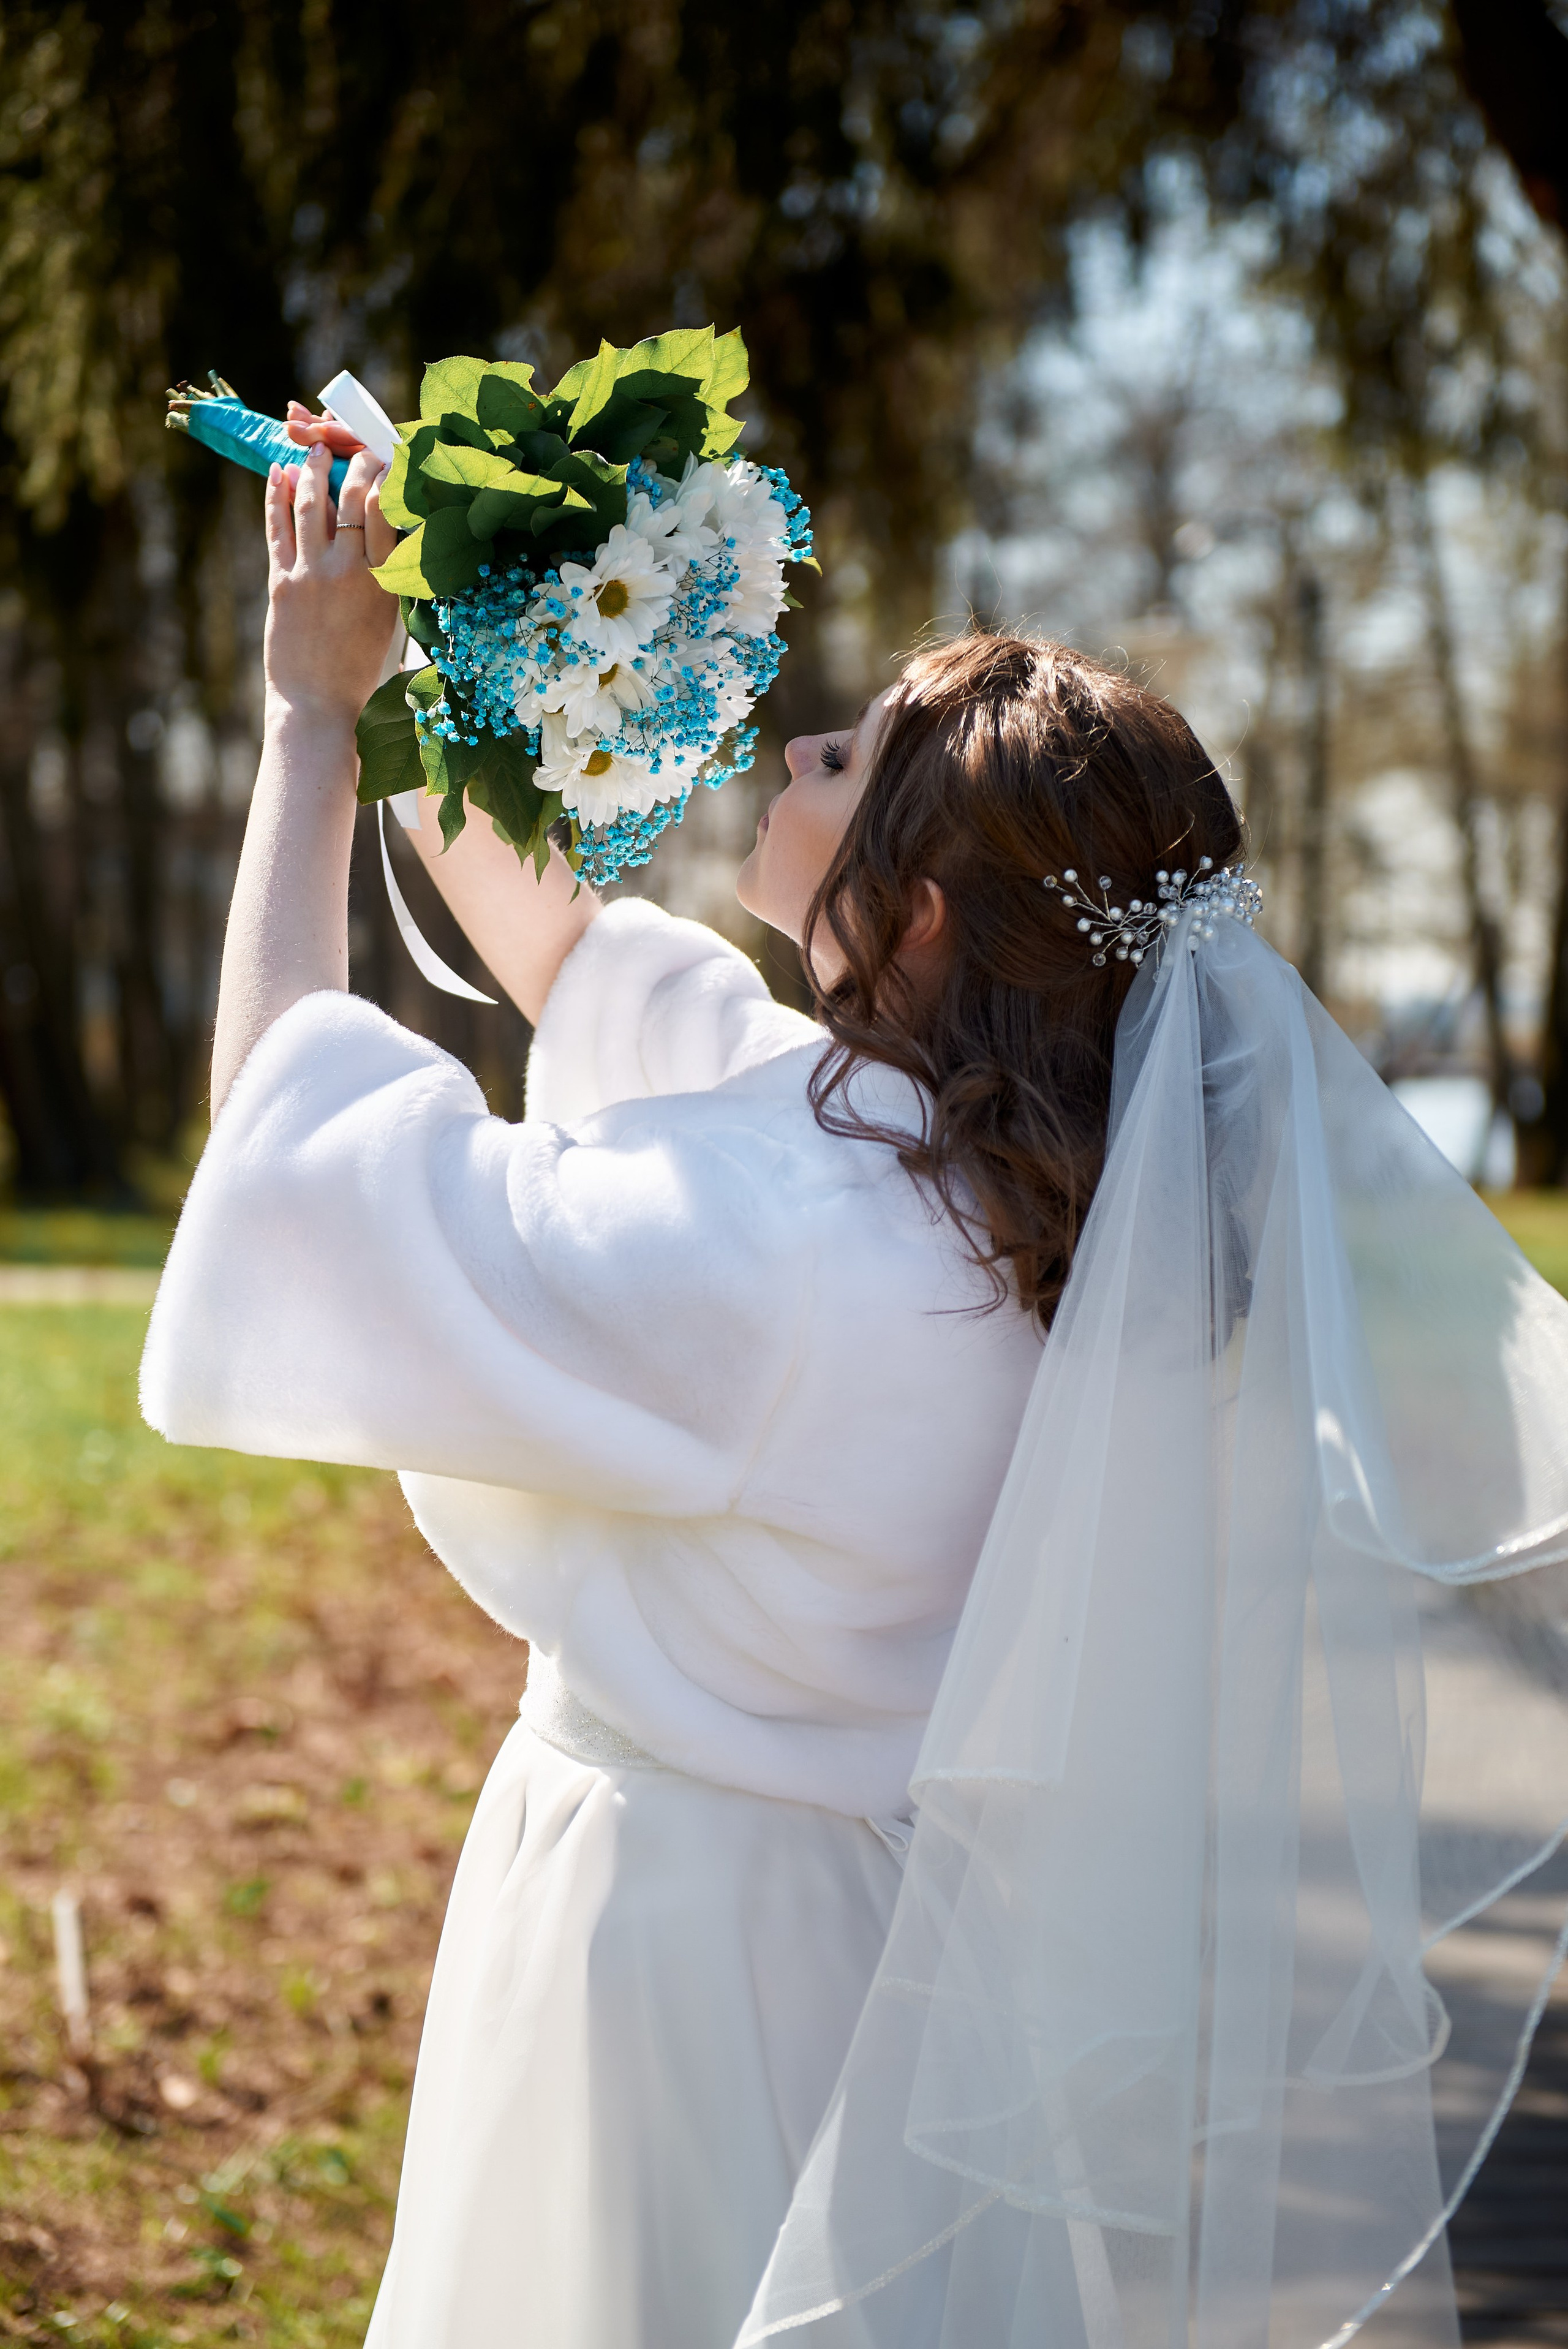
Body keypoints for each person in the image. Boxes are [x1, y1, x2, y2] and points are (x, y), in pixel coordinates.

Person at [143, 431, 1568, 2349]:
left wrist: (306, 725)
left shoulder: (780, 1235)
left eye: (851, 757)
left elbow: (287, 1160)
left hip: (671, 1968)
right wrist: (400, 660)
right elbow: (571, 951)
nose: (800, 744)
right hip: (867, 1966)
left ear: (921, 913)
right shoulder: (995, 1207)